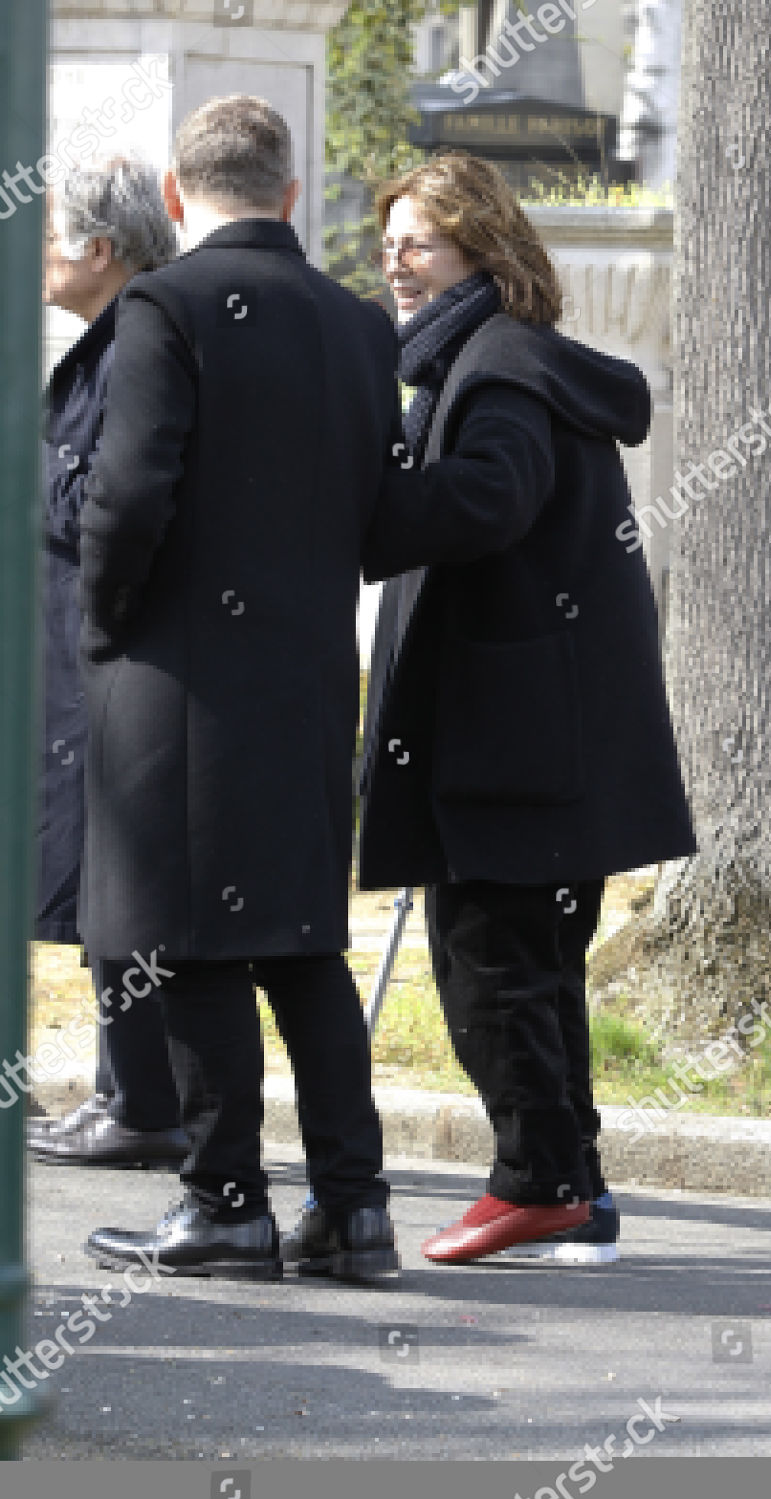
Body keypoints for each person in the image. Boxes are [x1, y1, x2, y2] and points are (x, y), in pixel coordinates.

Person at [79, 96, 401, 1283]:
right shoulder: (362, 325)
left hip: (181, 677)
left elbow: (128, 494)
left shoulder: (165, 303)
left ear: (175, 195)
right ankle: (354, 1210)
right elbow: (381, 511)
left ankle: (224, 1204)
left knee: (188, 948)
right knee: (302, 944)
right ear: (292, 194)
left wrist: (105, 626)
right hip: (310, 674)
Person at [360, 152, 696, 1265]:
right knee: (531, 968)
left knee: (488, 967)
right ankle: (576, 1192)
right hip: (540, 736)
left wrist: (366, 500)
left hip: (516, 742)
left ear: (480, 252)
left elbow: (490, 498)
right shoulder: (499, 360)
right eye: (390, 240)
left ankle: (536, 1183)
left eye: (419, 242)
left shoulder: (495, 370)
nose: (395, 263)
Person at [31, 160, 187, 1169]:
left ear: (98, 249)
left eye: (47, 234)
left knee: (118, 883)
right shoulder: (119, 340)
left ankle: (143, 1100)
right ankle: (125, 1088)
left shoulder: (137, 346)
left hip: (112, 656)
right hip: (91, 656)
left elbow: (104, 506)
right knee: (102, 884)